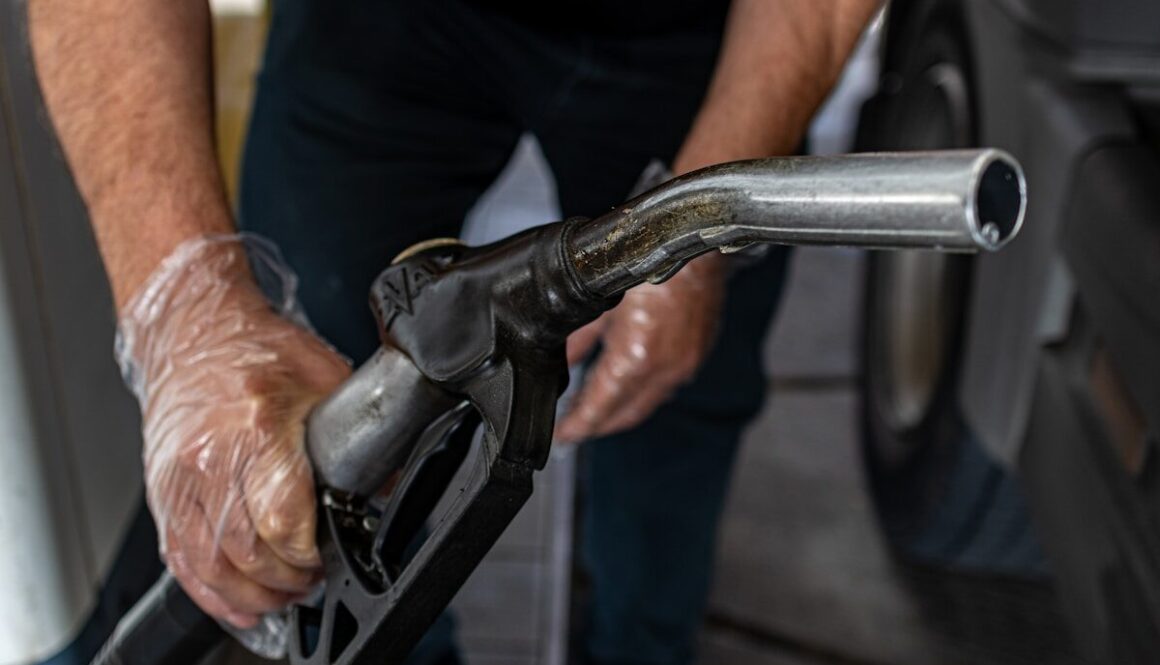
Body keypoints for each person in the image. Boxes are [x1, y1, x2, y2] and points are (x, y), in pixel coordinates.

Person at [29, 1, 880, 663]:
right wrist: (186, 306)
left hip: (693, 37)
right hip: (379, 29)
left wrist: (701, 227)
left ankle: (641, 644)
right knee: (313, 387)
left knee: (677, 391)